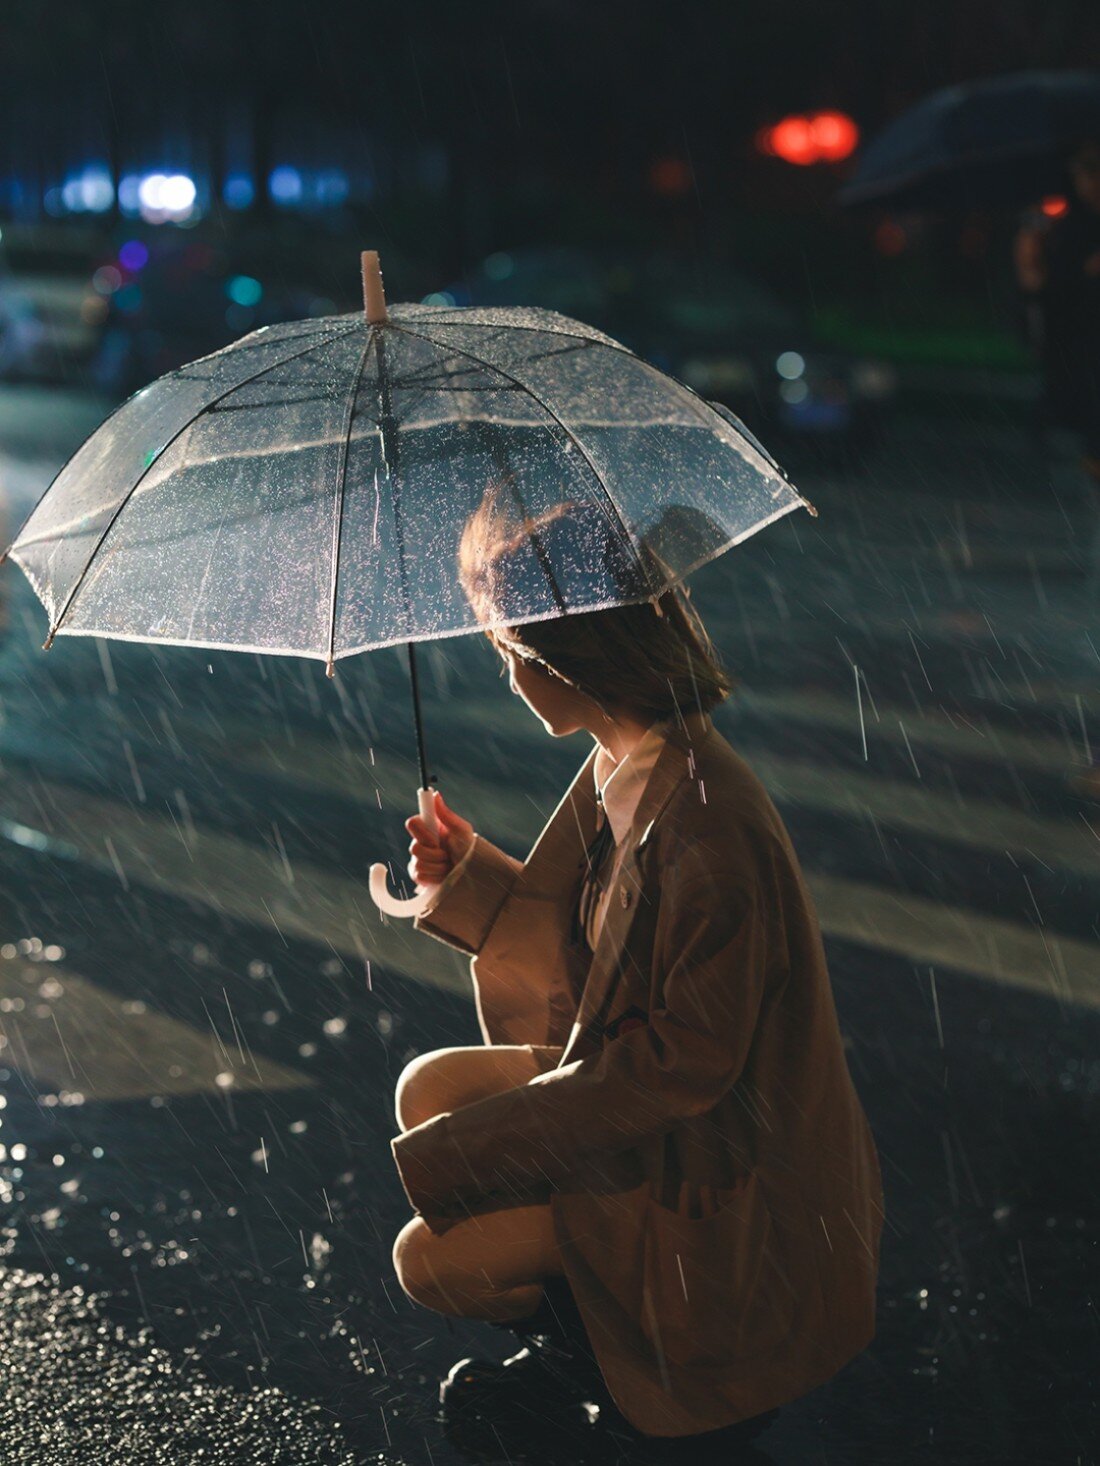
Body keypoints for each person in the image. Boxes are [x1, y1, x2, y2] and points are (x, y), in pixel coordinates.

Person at [387, 485, 884, 1451]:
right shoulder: (633, 761)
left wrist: (473, 1157)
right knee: (430, 1089)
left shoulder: (710, 826)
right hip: (668, 1124)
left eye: (508, 652)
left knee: (433, 1260)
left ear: (563, 658)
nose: (507, 674)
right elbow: (592, 947)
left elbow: (675, 1070)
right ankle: (596, 1344)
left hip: (721, 1183)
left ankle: (626, 1379)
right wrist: (468, 880)